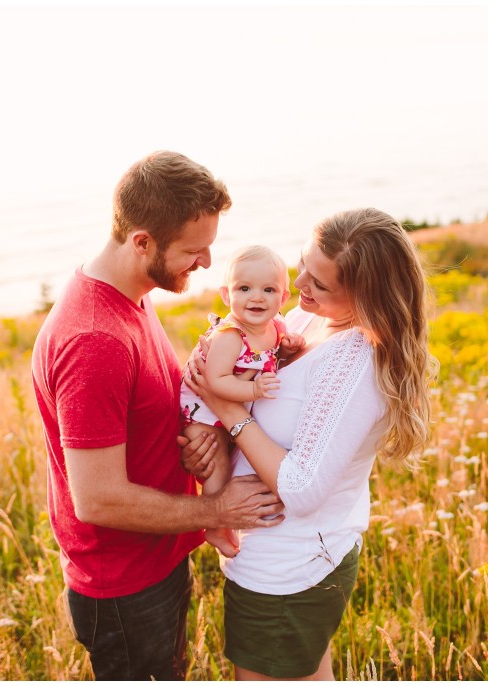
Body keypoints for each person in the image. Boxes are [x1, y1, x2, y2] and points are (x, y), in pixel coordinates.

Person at [31, 151, 285, 681]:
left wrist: (192, 438)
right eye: (194, 251)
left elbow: (143, 409)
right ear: (141, 242)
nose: (209, 264)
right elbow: (97, 498)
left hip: (157, 558)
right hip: (125, 586)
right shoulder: (93, 339)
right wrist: (216, 509)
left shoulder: (132, 295)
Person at [184, 207, 435, 680]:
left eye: (319, 284)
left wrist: (228, 410)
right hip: (283, 558)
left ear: (364, 297)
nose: (299, 285)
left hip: (290, 570)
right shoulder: (306, 320)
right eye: (304, 265)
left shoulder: (357, 362)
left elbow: (301, 487)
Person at [178, 245, 304, 558]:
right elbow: (216, 382)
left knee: (231, 457)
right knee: (217, 464)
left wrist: (288, 349)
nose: (257, 297)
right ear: (226, 294)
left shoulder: (275, 328)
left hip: (230, 409)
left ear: (283, 298)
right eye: (244, 288)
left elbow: (269, 358)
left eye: (269, 289)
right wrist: (255, 392)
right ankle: (216, 524)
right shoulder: (230, 336)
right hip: (202, 413)